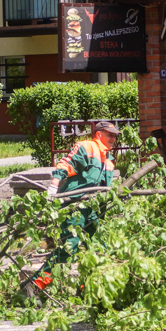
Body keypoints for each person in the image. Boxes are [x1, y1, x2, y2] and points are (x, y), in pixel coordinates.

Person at [31, 121, 120, 291]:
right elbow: (66, 163)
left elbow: (104, 189)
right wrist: (54, 185)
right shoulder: (87, 147)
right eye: (110, 135)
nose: (113, 139)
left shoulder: (108, 160)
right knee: (69, 246)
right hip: (75, 205)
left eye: (115, 136)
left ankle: (88, 288)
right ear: (99, 134)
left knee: (99, 247)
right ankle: (36, 285)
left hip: (92, 209)